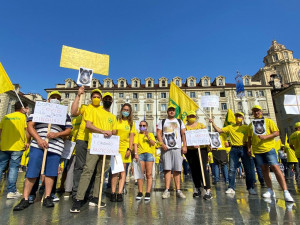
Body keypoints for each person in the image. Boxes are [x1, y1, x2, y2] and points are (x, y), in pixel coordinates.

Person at [14, 91, 72, 211]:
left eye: (58, 98)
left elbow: (68, 130)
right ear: (48, 99)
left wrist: (57, 134)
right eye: (53, 97)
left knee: (51, 172)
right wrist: (39, 139)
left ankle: (47, 196)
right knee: (32, 171)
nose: (56, 99)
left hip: (56, 146)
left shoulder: (64, 114)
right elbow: (30, 125)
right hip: (38, 144)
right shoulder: (39, 110)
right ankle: (25, 198)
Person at [70, 95, 117, 213]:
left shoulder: (113, 116)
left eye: (109, 99)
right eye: (105, 98)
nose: (107, 100)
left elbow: (115, 130)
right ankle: (78, 199)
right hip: (94, 145)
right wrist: (102, 131)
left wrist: (111, 132)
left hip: (107, 147)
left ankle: (96, 197)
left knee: (101, 173)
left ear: (112, 101)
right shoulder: (94, 110)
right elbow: (88, 125)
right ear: (102, 100)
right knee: (88, 170)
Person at [248, 105, 294, 202]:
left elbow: (276, 133)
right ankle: (270, 190)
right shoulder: (251, 124)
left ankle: (285, 191)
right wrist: (249, 148)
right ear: (252, 113)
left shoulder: (268, 121)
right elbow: (249, 137)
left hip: (269, 149)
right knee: (264, 170)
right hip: (257, 150)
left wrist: (266, 137)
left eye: (258, 111)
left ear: (261, 111)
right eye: (254, 111)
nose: (256, 113)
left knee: (275, 168)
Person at [209, 112, 256, 195]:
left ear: (243, 118)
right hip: (234, 149)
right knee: (231, 169)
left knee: (248, 169)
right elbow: (219, 130)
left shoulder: (246, 127)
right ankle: (231, 187)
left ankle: (250, 188)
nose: (238, 117)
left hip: (244, 148)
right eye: (236, 116)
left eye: (240, 116)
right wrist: (212, 123)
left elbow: (251, 137)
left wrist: (249, 147)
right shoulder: (230, 127)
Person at [70, 87, 102, 199]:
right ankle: (76, 192)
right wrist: (78, 95)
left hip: (95, 141)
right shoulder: (85, 107)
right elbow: (73, 112)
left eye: (98, 97)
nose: (96, 99)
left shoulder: (103, 111)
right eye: (94, 97)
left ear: (101, 99)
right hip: (82, 139)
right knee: (79, 166)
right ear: (91, 98)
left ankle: (89, 192)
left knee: (92, 168)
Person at [0, 101, 30, 199]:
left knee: (1, 167)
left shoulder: (6, 117)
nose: (27, 110)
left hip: (4, 145)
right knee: (13, 168)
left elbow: (0, 131)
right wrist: (27, 142)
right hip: (17, 146)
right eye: (27, 108)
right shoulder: (23, 118)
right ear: (23, 108)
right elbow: (27, 131)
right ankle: (11, 191)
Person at [157, 104, 187, 199]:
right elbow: (158, 133)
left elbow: (183, 134)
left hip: (177, 147)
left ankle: (178, 190)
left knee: (177, 169)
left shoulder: (179, 121)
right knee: (167, 169)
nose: (171, 111)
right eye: (170, 110)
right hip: (166, 148)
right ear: (167, 111)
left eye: (173, 110)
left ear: (175, 112)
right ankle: (167, 189)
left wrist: (184, 145)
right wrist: (162, 144)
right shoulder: (162, 121)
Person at [110, 103, 136, 202]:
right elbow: (113, 132)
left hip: (125, 149)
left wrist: (129, 149)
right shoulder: (116, 121)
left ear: (130, 112)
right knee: (115, 171)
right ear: (121, 111)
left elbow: (131, 138)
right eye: (124, 109)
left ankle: (120, 192)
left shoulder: (131, 124)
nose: (125, 111)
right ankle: (113, 192)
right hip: (115, 148)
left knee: (123, 171)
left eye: (127, 110)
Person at [185, 110, 212, 200]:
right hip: (190, 150)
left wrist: (209, 144)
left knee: (203, 168)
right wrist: (191, 144)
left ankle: (207, 189)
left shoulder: (201, 125)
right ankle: (197, 188)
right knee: (194, 170)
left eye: (193, 115)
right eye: (190, 116)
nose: (192, 117)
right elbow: (184, 138)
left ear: (195, 117)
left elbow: (205, 135)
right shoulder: (185, 127)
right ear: (187, 117)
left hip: (202, 149)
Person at [134, 120, 155, 201]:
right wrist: (136, 154)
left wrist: (148, 137)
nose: (142, 127)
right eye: (140, 125)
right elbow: (135, 144)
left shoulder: (150, 134)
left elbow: (153, 143)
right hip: (140, 155)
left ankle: (148, 192)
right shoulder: (137, 135)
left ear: (147, 127)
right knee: (140, 174)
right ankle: (140, 192)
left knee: (149, 174)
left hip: (149, 155)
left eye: (144, 125)